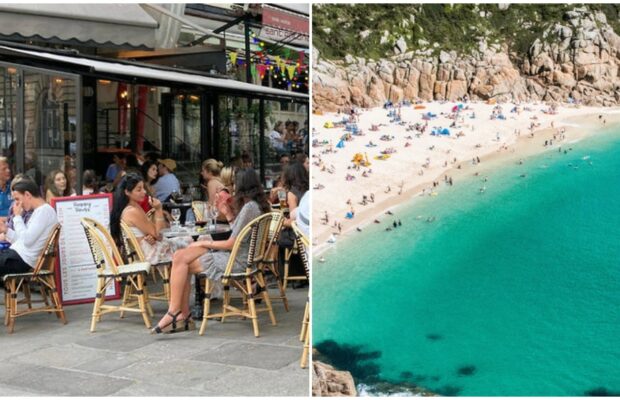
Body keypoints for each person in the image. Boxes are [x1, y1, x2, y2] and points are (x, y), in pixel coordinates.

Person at [151, 168, 270, 334]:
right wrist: (227, 213)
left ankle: (178, 314)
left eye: (235, 183)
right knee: (180, 257)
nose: (233, 187)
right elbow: (237, 233)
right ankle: (179, 314)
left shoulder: (249, 207)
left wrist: (205, 245)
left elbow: (230, 243)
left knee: (182, 261)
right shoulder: (254, 206)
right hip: (240, 256)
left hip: (236, 260)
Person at [110, 173, 189, 266]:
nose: (144, 192)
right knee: (189, 243)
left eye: (143, 188)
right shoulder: (132, 211)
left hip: (148, 248)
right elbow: (158, 234)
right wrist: (158, 209)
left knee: (189, 243)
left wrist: (148, 235)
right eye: (139, 189)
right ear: (127, 192)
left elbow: (154, 232)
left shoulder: (133, 207)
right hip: (148, 253)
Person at [0, 179, 57, 278]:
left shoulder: (45, 211)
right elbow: (23, 240)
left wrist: (17, 217)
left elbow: (27, 241)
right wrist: (6, 230)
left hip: (20, 260)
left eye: (17, 199)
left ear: (27, 195)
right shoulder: (39, 211)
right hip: (17, 256)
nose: (16, 204)